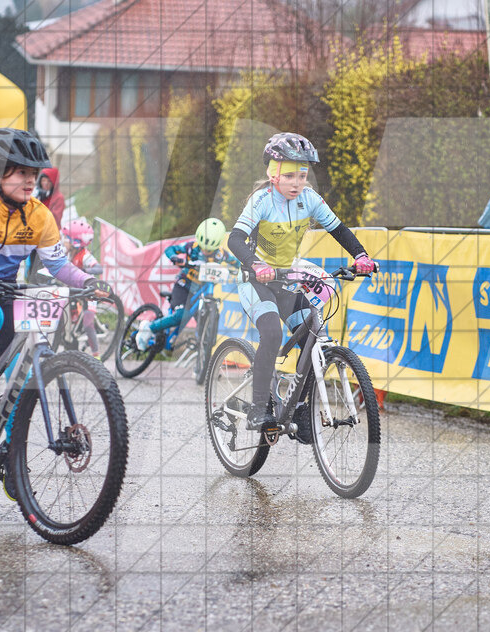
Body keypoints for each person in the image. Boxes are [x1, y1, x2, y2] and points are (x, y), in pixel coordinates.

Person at [0, 128, 112, 442]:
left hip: (5, 290)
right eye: (20, 173)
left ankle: (11, 455)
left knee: (24, 375)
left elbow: (58, 264)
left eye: (33, 173)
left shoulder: (40, 216)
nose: (30, 180)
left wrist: (87, 280)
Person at [227, 132, 376, 431]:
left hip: (284, 281)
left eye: (303, 176)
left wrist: (361, 255)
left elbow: (339, 229)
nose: (297, 183)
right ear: (274, 175)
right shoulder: (262, 201)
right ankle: (258, 410)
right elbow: (235, 239)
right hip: (256, 281)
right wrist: (256, 264)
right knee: (271, 334)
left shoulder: (309, 199)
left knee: (313, 335)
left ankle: (298, 409)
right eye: (290, 176)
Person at [135, 217, 236, 351]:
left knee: (203, 322)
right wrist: (175, 258)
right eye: (203, 248)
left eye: (209, 250)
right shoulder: (191, 247)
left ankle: (201, 356)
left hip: (202, 291)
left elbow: (236, 262)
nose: (205, 251)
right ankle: (148, 328)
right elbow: (170, 250)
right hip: (184, 286)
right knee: (181, 317)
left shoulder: (221, 254)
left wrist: (244, 269)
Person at [60, 217, 107, 355]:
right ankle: (69, 339)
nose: (63, 241)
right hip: (74, 292)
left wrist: (84, 271)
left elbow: (98, 268)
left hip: (89, 294)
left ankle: (96, 355)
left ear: (75, 242)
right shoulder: (68, 254)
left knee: (88, 324)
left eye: (66, 238)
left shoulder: (85, 256)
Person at [24, 167, 65, 282]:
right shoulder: (37, 195)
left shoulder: (58, 198)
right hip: (34, 236)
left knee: (41, 267)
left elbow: (54, 219)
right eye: (43, 180)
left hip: (47, 238)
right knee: (31, 264)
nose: (45, 183)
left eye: (49, 181)